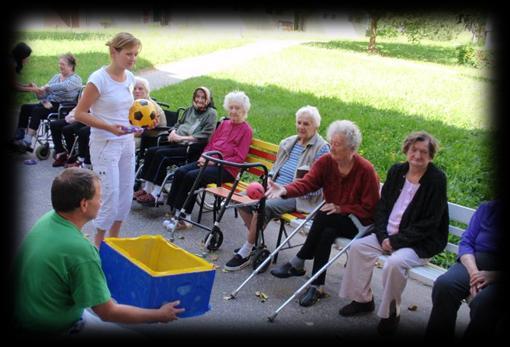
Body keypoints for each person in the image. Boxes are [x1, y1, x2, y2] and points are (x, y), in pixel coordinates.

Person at [11, 168, 184, 336]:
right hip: (52, 327)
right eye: (99, 198)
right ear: (84, 204)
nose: (101, 202)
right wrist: (159, 315)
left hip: (28, 314)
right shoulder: (80, 251)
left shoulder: (49, 218)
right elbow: (107, 312)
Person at [338, 131, 448, 336]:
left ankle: (391, 313)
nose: (417, 155)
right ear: (407, 149)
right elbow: (382, 207)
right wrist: (383, 237)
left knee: (394, 264)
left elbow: (430, 222)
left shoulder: (436, 180)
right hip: (388, 235)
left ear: (431, 156)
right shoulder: (397, 171)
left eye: (424, 152)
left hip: (419, 242)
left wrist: (396, 241)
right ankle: (362, 301)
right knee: (358, 248)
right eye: (414, 149)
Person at [267, 120, 380, 307]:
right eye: (331, 142)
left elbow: (371, 209)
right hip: (333, 219)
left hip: (360, 223)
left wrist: (342, 208)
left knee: (324, 214)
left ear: (351, 148)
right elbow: (308, 183)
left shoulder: (365, 170)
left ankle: (299, 260)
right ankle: (317, 286)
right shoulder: (327, 161)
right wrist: (285, 190)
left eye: (337, 144)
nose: (332, 147)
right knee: (326, 232)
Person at [224, 105, 330, 271]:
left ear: (316, 126)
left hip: (299, 195)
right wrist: (269, 181)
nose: (301, 127)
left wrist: (286, 189)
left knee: (262, 208)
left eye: (306, 124)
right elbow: (274, 169)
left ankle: (246, 251)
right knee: (242, 200)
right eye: (299, 122)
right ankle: (256, 243)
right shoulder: (288, 142)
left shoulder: (322, 149)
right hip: (274, 188)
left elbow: (319, 186)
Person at [74, 32, 141, 248]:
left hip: (127, 141)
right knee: (109, 196)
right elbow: (80, 114)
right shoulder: (98, 79)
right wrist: (109, 127)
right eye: (128, 54)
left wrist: (136, 125)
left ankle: (114, 241)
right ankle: (98, 246)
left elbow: (125, 109)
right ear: (114, 52)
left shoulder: (130, 78)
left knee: (125, 194)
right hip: (105, 143)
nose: (133, 59)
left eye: (136, 54)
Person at [165, 90, 252, 230]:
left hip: (227, 169)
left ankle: (185, 217)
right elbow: (211, 143)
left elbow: (239, 158)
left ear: (244, 110)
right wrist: (204, 156)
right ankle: (175, 210)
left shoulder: (246, 130)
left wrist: (213, 161)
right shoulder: (224, 124)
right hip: (210, 162)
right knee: (181, 172)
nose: (233, 111)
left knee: (192, 176)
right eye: (231, 107)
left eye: (237, 108)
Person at [425, 199, 502, 341]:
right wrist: (474, 273)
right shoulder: (488, 208)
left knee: (484, 302)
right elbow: (467, 241)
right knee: (445, 285)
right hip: (474, 263)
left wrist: (492, 276)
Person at [135, 86, 216, 206]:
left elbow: (205, 135)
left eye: (203, 97)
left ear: (208, 99)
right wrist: (173, 132)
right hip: (176, 142)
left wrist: (182, 138)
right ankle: (147, 188)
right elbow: (178, 124)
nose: (199, 100)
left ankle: (158, 194)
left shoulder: (211, 113)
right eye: (197, 97)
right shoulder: (190, 110)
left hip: (190, 147)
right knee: (152, 151)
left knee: (161, 155)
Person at [12, 53, 82, 153]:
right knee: (25, 107)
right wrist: (37, 90)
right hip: (48, 104)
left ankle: (27, 141)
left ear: (71, 66)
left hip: (62, 107)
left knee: (37, 110)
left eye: (63, 64)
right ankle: (19, 136)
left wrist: (47, 87)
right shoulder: (56, 77)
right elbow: (44, 95)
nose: (60, 66)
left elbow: (64, 86)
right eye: (59, 64)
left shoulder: (76, 79)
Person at [132, 76, 166, 151]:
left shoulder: (150, 107)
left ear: (147, 91)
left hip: (150, 136)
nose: (137, 91)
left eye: (140, 89)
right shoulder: (136, 103)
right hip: (136, 133)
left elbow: (143, 130)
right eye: (134, 88)